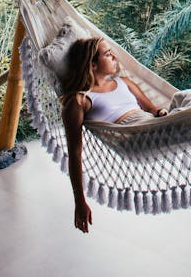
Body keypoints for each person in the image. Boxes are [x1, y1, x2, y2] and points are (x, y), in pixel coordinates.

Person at [60, 37, 168, 234]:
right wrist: (79, 201)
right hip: (131, 136)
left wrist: (161, 114)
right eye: (108, 54)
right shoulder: (80, 100)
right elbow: (74, 153)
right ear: (92, 65)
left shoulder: (123, 82)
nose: (115, 57)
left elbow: (153, 109)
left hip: (153, 125)